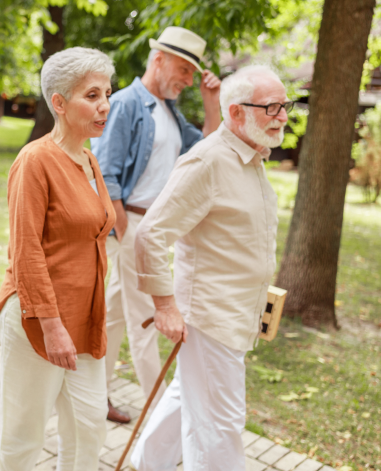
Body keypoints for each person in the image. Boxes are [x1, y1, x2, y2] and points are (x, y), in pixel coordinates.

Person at [129, 65, 288, 471]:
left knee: (188, 397)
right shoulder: (207, 162)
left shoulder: (251, 157)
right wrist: (164, 306)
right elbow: (150, 234)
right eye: (271, 107)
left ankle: (146, 464)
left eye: (285, 106)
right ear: (236, 112)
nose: (283, 116)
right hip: (210, 317)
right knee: (220, 425)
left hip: (235, 313)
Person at [0, 47, 117, 471]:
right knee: (23, 437)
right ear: (59, 103)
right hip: (38, 319)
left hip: (86, 317)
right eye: (92, 95)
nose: (104, 105)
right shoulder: (35, 160)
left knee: (89, 425)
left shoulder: (89, 159)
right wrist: (51, 325)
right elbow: (25, 250)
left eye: (107, 94)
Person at [90, 26, 222, 423]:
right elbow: (106, 171)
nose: (187, 80)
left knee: (113, 317)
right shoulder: (128, 103)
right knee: (147, 321)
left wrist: (211, 103)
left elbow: (207, 151)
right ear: (159, 59)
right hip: (133, 227)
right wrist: (128, 233)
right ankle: (163, 418)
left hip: (152, 229)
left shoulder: (169, 111)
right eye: (184, 70)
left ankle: (96, 398)